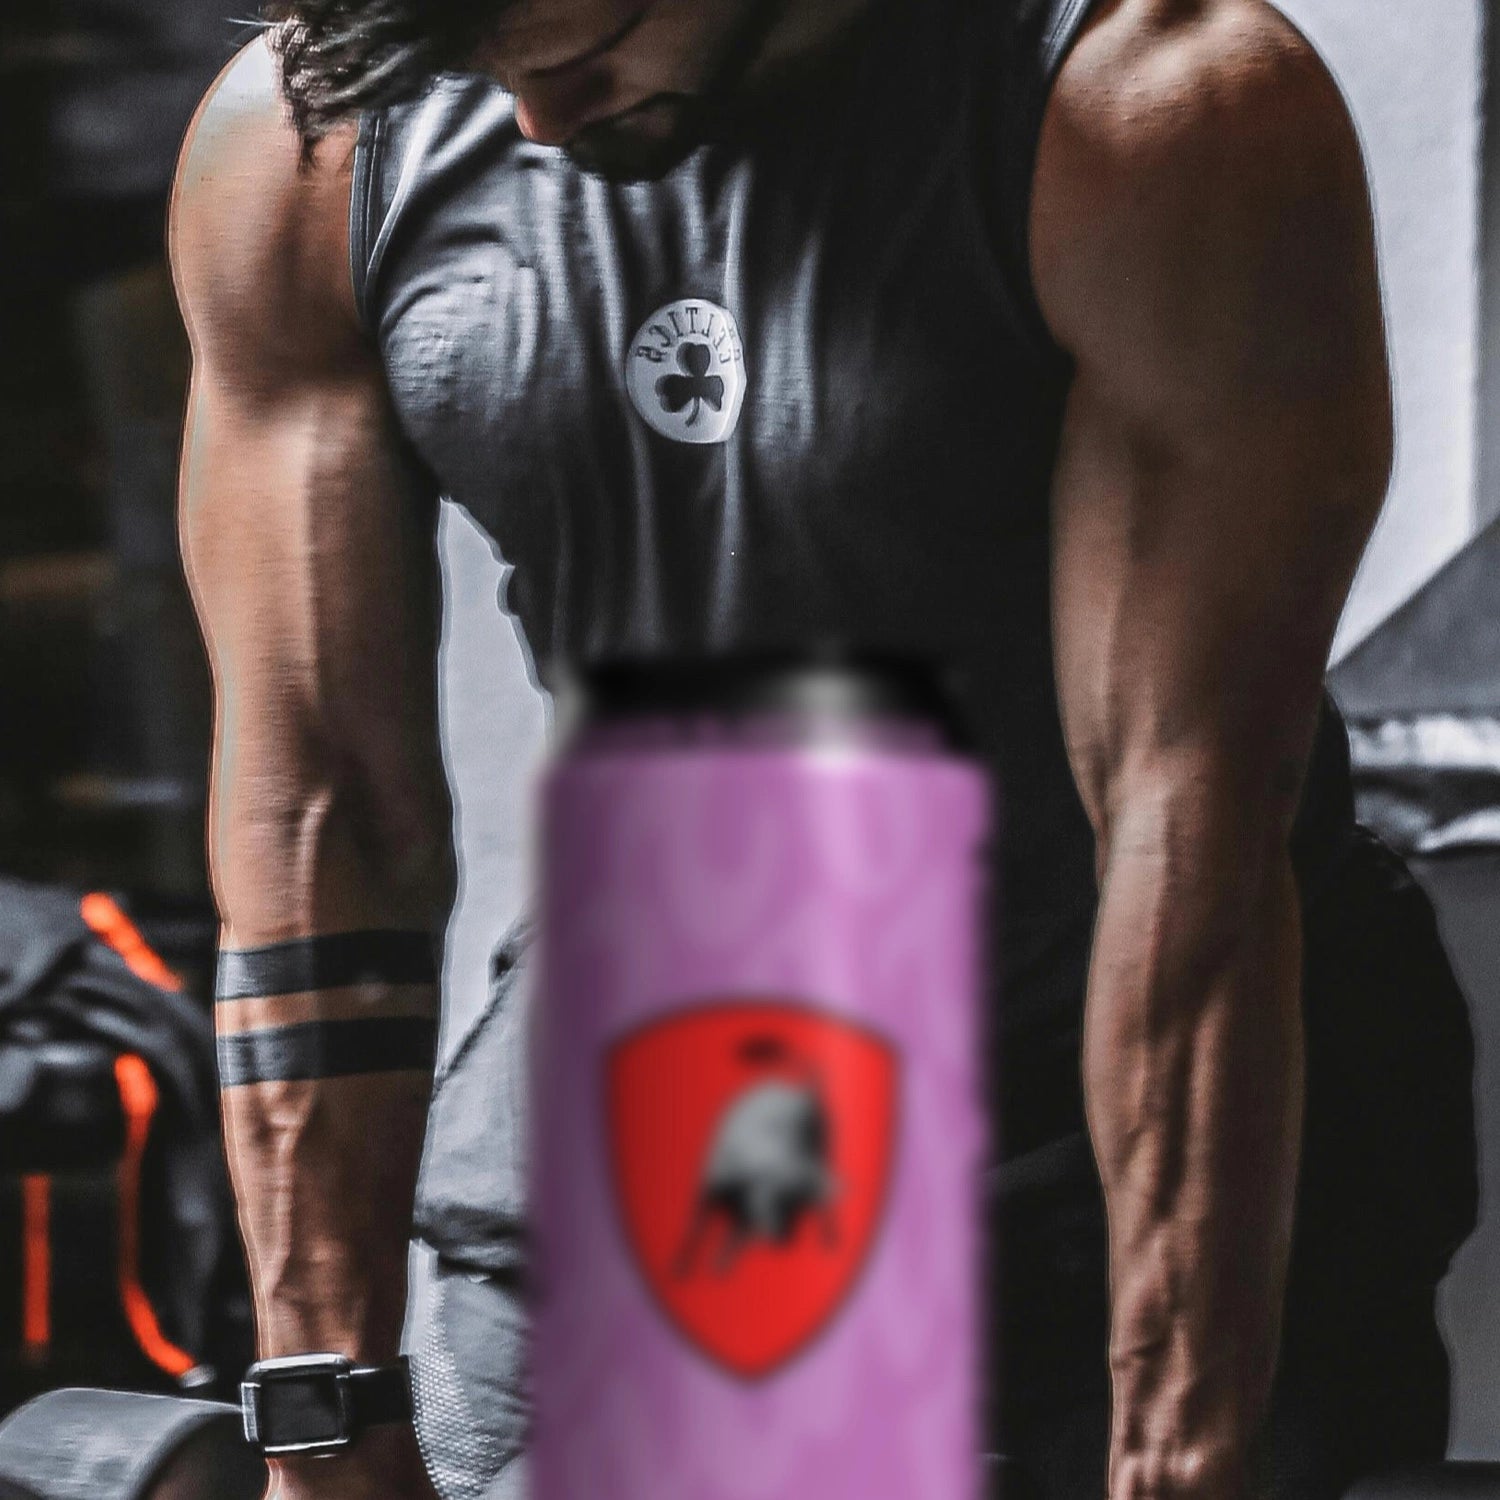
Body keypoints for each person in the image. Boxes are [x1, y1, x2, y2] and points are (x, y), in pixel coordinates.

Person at [168, 1, 1479, 1497]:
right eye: (476, 67)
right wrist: (321, 1414)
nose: (529, 117)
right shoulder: (314, 147)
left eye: (562, 37)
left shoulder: (1147, 107)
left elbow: (1193, 843)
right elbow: (325, 814)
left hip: (1110, 1141)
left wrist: (1179, 1451)